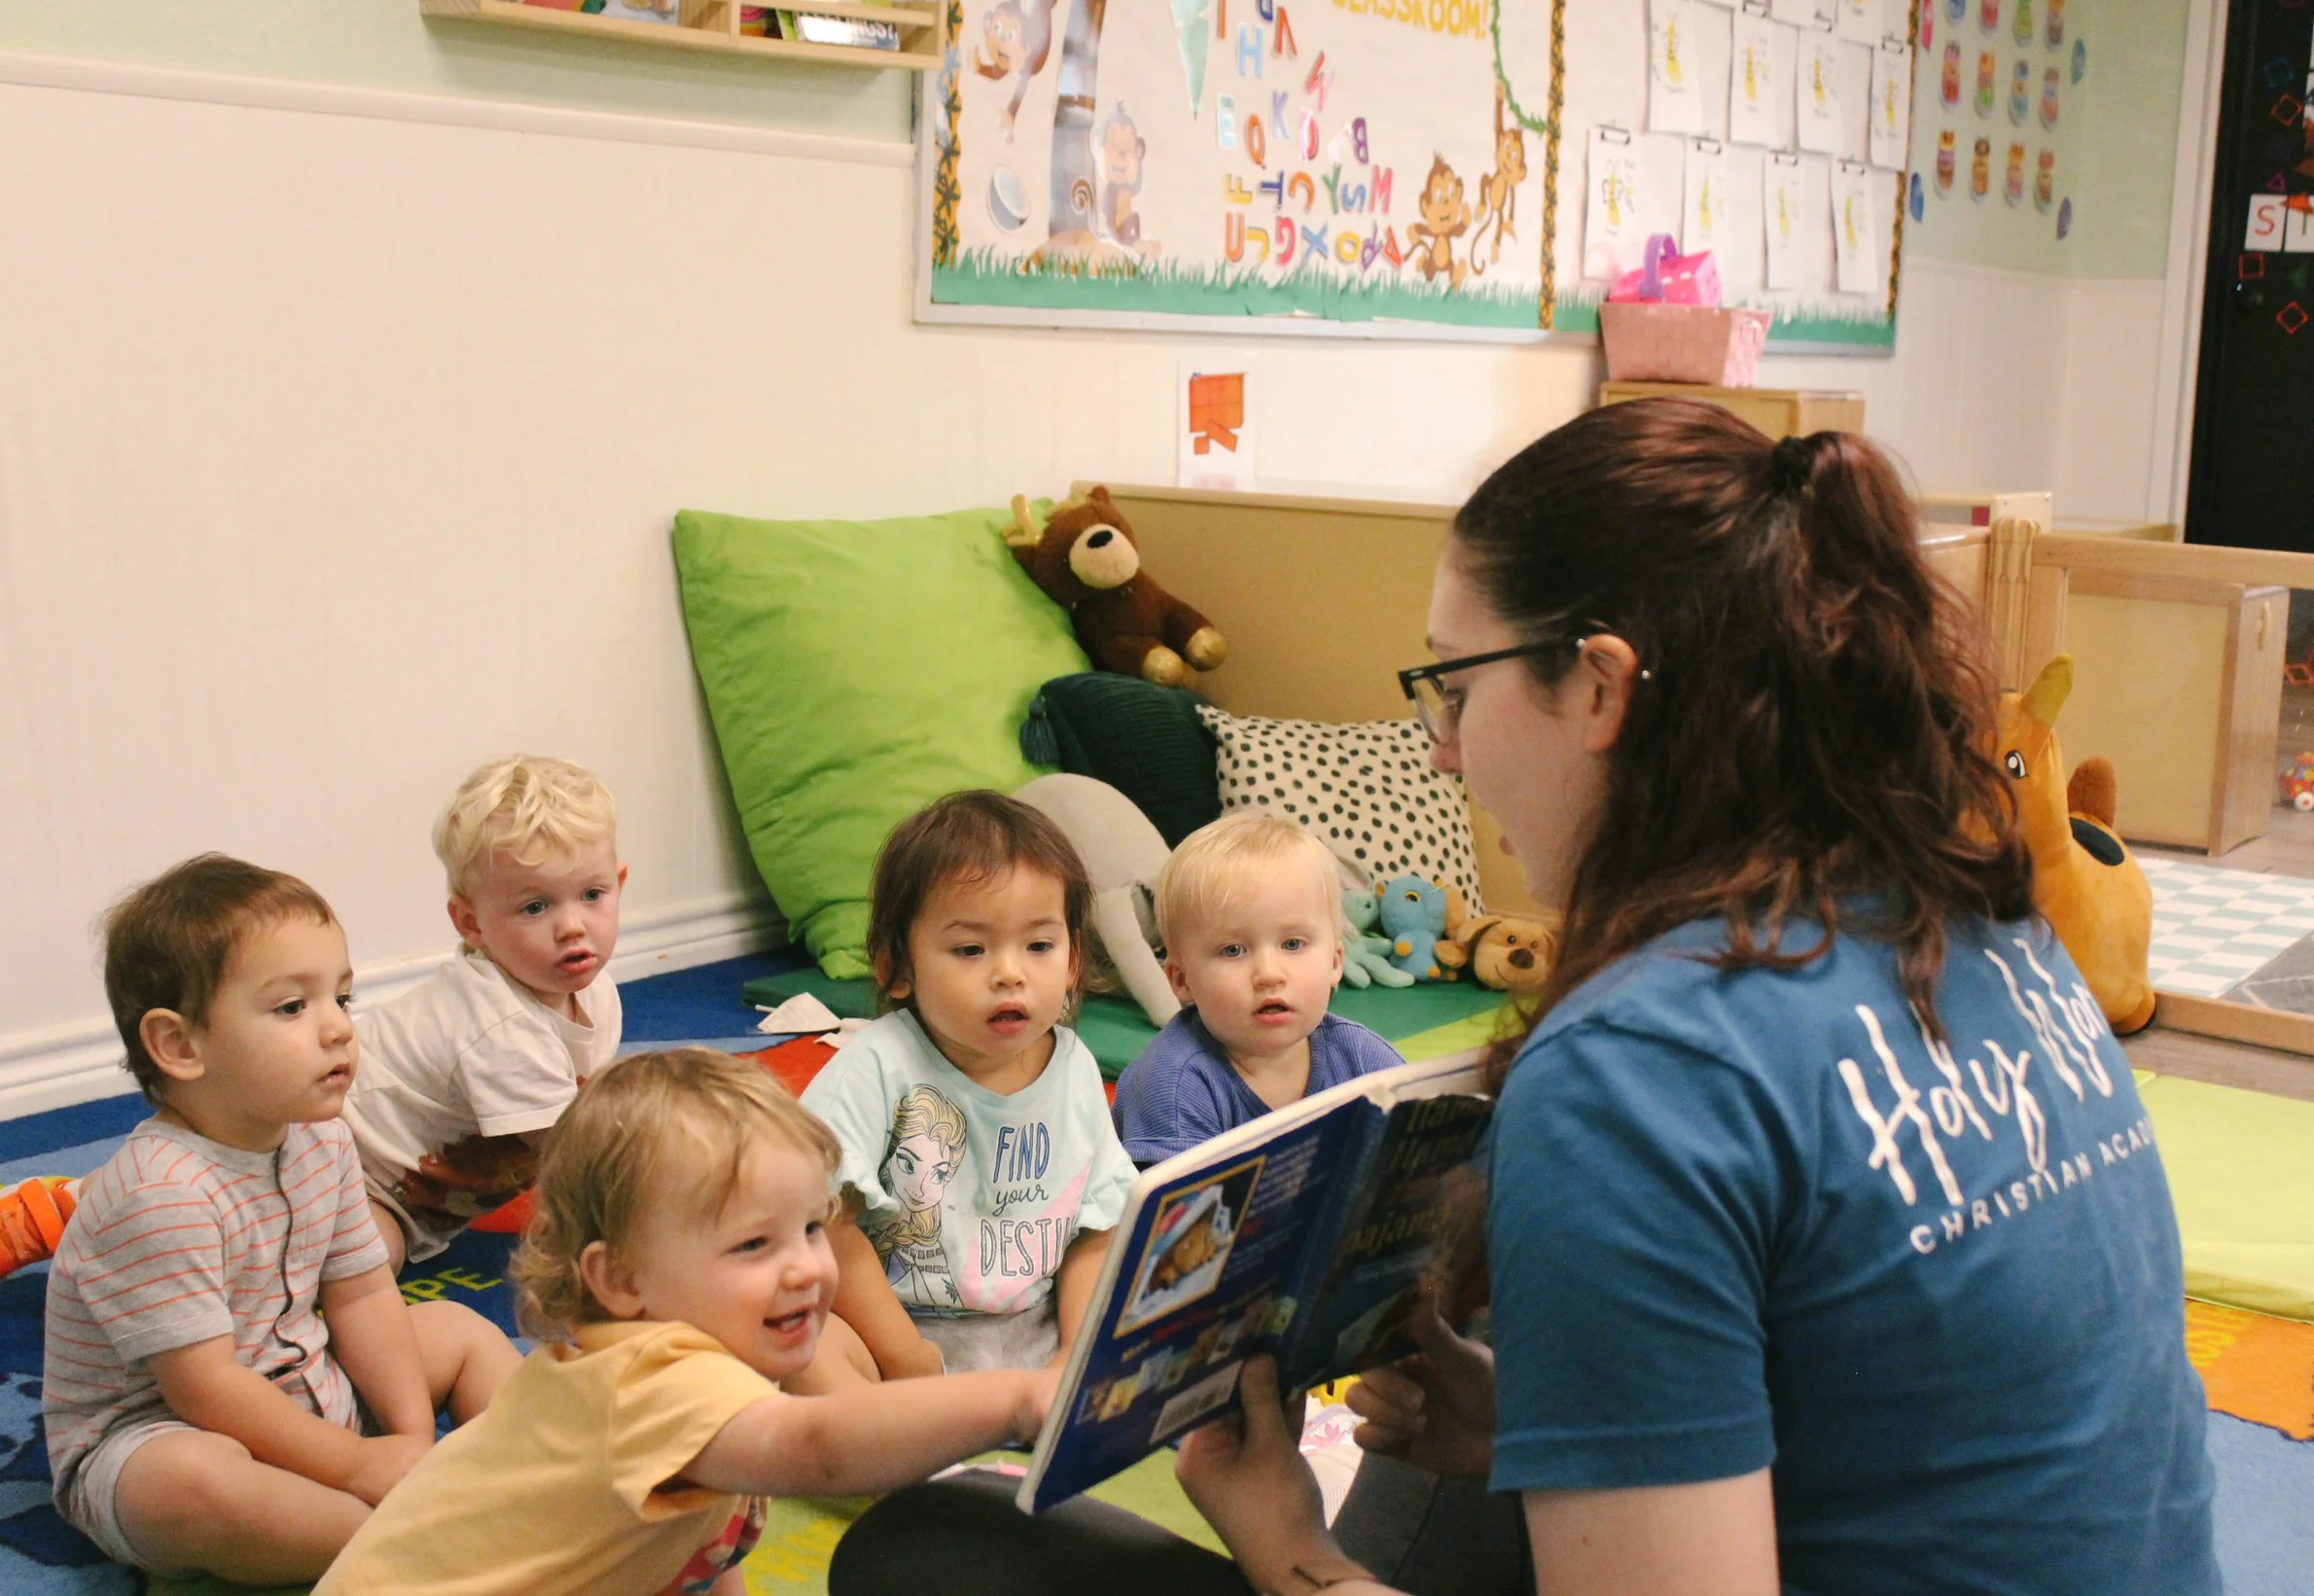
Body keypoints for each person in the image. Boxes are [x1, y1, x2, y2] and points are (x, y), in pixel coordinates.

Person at [833, 401, 2220, 1596]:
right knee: (1467, 1453)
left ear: (1601, 684)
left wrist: (1291, 1551)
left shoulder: (1643, 1066)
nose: (1439, 754)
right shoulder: (1975, 911)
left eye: (1452, 686)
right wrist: (1522, 1437)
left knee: (933, 1549)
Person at [314, 1047, 1058, 1596]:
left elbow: (703, 1553)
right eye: (752, 1245)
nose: (804, 1266)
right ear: (622, 1280)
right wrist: (1017, 1399)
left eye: (809, 1227)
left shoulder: (714, 1374)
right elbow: (823, 1447)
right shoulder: (654, 1377)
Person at [43, 854, 520, 1585]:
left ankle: (534, 1478)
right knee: (191, 1482)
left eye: (343, 998)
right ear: (179, 1045)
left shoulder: (319, 1135)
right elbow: (205, 1388)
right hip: (166, 1430)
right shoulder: (158, 1193)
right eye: (293, 1007)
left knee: (460, 1331)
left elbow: (361, 1293)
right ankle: (412, 1545)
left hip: (304, 1376)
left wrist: (408, 1438)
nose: (337, 1030)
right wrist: (359, 1462)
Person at [798, 790, 1141, 1385]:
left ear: (1073, 961)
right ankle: (890, 1448)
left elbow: (1098, 1228)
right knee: (809, 1347)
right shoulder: (876, 1068)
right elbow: (824, 1225)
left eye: (1039, 945)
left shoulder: (1077, 1067)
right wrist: (906, 1357)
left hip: (1036, 1327)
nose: (1010, 972)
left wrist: (1074, 1356)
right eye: (970, 949)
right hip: (895, 1331)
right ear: (896, 968)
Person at [343, 755, 627, 1273]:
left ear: (619, 884)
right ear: (470, 923)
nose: (572, 926)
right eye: (535, 907)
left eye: (592, 895)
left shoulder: (598, 991)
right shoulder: (501, 1029)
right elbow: (580, 1162)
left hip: (421, 1199)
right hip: (345, 1169)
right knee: (363, 1263)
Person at [1112, 812, 1404, 1168]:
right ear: (1181, 980)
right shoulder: (1172, 1085)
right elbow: (1177, 1220)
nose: (1268, 974)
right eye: (1233, 950)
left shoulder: (1363, 1058)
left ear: (1335, 962)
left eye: (1293, 944)